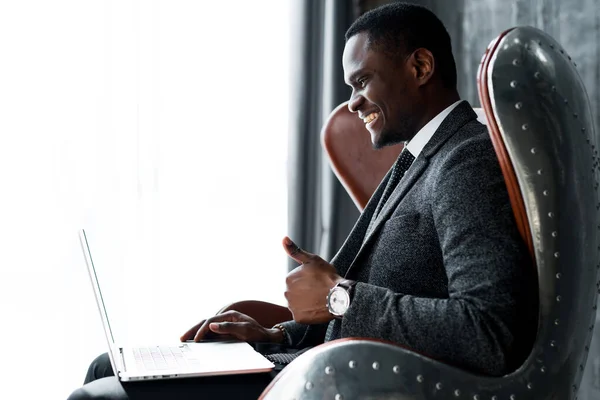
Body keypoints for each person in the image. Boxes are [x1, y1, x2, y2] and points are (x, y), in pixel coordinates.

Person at [68, 3, 537, 399]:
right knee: (105, 366)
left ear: (419, 67)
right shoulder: (419, 156)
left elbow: (488, 330)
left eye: (362, 81)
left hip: (350, 384)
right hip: (315, 360)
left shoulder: (465, 159)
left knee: (96, 394)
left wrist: (338, 295)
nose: (352, 102)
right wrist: (274, 334)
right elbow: (363, 306)